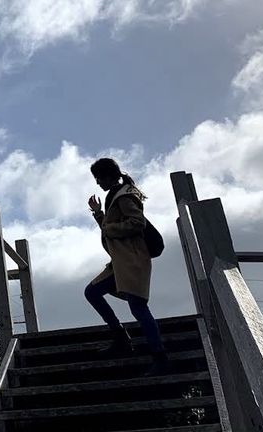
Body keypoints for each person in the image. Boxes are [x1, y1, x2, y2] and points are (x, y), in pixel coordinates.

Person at [84, 157, 169, 376]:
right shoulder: (117, 194)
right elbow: (110, 227)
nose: (98, 183)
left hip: (132, 260)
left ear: (108, 175)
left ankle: (160, 358)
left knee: (138, 308)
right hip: (122, 262)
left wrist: (109, 228)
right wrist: (98, 213)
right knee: (92, 292)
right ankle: (121, 338)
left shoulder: (124, 195)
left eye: (99, 178)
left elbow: (136, 222)